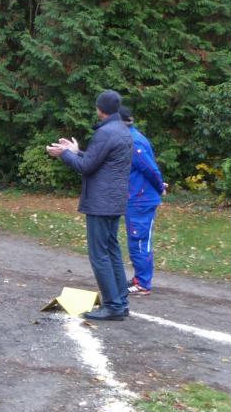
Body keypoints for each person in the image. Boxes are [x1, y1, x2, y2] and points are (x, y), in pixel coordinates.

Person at [46, 90, 133, 321]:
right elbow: (99, 160)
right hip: (114, 201)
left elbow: (86, 167)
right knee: (112, 251)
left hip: (100, 203)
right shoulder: (123, 130)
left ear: (99, 109)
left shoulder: (105, 132)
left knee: (99, 255)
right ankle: (121, 302)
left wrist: (64, 154)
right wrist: (75, 151)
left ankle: (113, 306)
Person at [119, 106, 168, 296]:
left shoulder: (133, 141)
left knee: (139, 240)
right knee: (136, 239)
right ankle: (139, 278)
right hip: (137, 197)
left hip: (141, 200)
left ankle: (143, 283)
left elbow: (150, 168)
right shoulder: (130, 138)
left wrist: (160, 186)